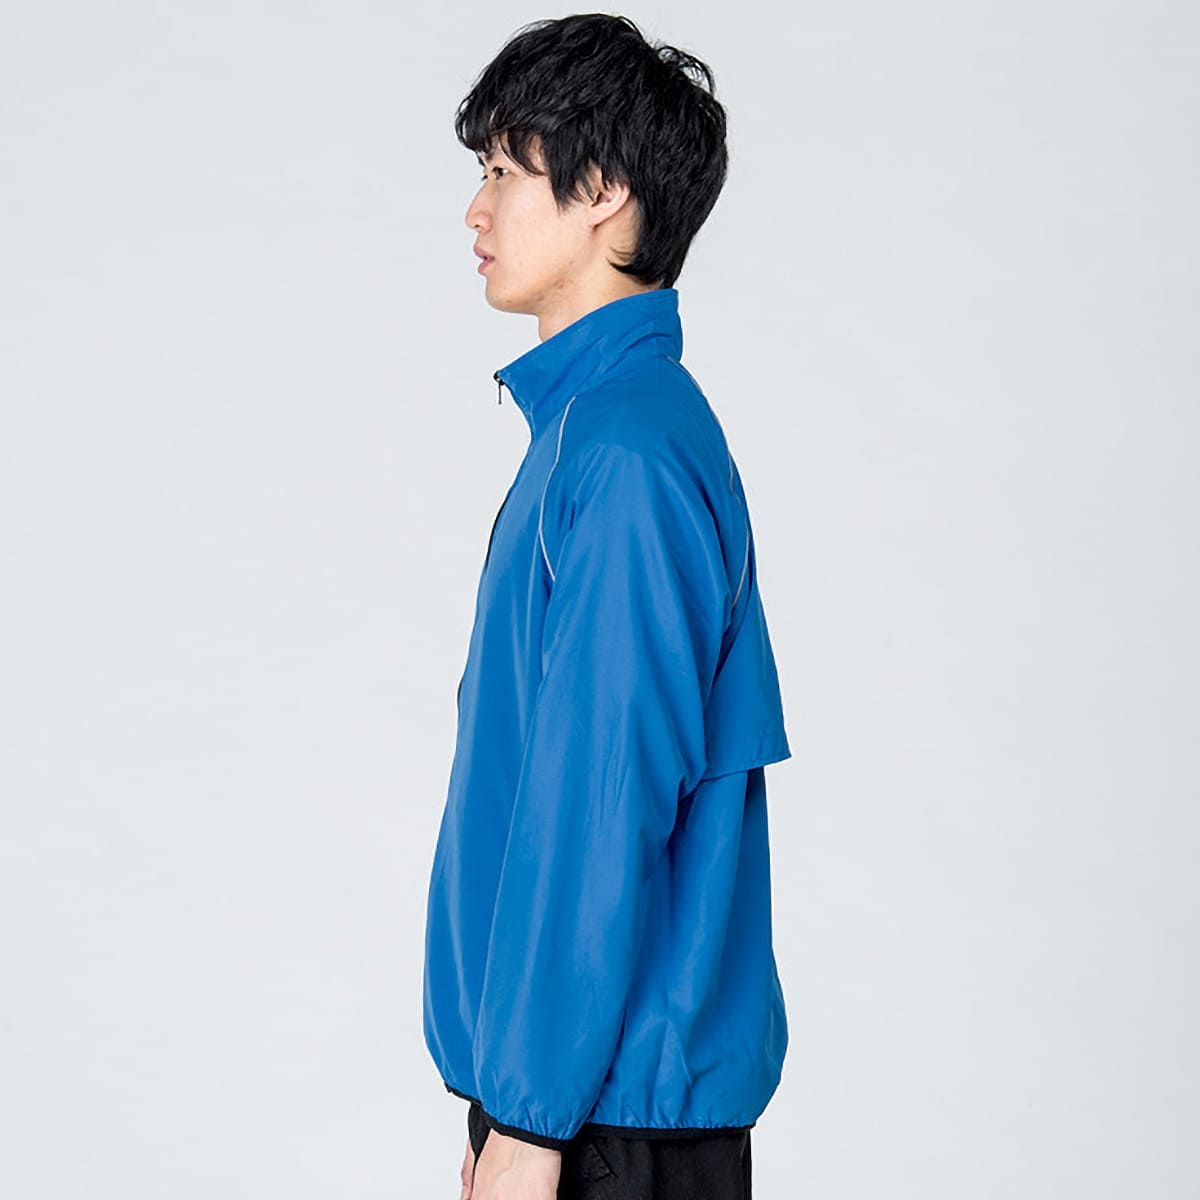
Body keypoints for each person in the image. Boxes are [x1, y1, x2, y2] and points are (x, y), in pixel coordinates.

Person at [422, 14, 792, 1200]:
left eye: (502, 170)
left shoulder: (627, 452)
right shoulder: (587, 434)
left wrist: (529, 1121)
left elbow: (601, 797)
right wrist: (502, 1109)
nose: (475, 211)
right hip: (578, 1106)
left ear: (603, 191)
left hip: (606, 1125)